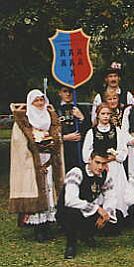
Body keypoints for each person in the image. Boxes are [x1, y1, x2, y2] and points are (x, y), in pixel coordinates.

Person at [9, 89, 64, 242]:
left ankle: (47, 224)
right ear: (30, 103)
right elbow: (18, 143)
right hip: (32, 160)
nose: (40, 103)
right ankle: (38, 229)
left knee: (49, 189)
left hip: (50, 158)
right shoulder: (23, 121)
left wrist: (53, 141)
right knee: (38, 191)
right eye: (36, 101)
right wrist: (34, 145)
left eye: (41, 100)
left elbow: (57, 135)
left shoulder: (51, 117)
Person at [56, 150, 118, 259]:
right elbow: (70, 200)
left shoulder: (105, 175)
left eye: (103, 164)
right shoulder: (77, 172)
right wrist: (97, 208)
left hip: (87, 211)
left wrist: (106, 214)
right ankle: (71, 244)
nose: (100, 167)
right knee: (73, 211)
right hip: (67, 213)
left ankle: (86, 235)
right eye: (97, 162)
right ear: (89, 160)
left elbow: (111, 196)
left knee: (114, 219)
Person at [82, 103, 129, 218]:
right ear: (97, 115)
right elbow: (85, 155)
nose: (106, 116)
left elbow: (123, 151)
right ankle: (100, 215)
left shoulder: (116, 130)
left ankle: (119, 215)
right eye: (103, 114)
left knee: (117, 192)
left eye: (108, 114)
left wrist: (113, 157)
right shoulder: (91, 132)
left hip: (115, 167)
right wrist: (99, 160)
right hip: (99, 169)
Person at [55, 85, 88, 170]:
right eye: (65, 91)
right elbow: (50, 131)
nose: (68, 94)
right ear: (59, 93)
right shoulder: (54, 110)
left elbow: (89, 129)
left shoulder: (82, 108)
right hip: (63, 149)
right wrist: (64, 138)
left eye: (71, 91)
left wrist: (82, 118)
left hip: (78, 149)